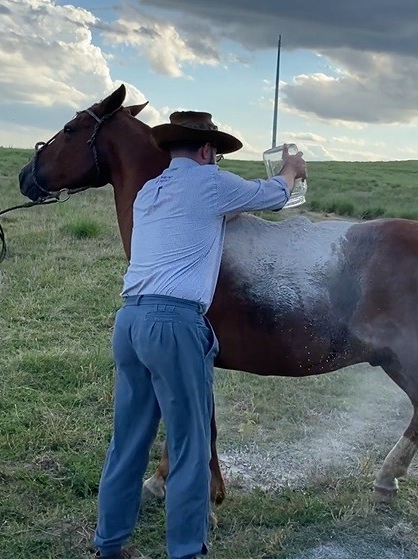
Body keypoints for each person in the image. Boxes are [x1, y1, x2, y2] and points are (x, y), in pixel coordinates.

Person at [93, 112, 307, 559]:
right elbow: (272, 196)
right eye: (217, 155)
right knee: (191, 448)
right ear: (208, 151)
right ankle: (187, 551)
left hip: (130, 320)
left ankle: (109, 544)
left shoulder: (151, 190)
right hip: (175, 325)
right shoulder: (210, 183)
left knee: (128, 439)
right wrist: (291, 170)